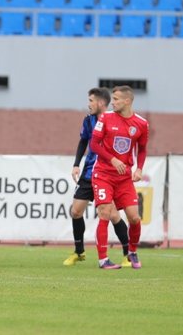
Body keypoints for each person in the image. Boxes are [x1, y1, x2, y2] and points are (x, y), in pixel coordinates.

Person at [89, 85, 149, 270]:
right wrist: (113, 159)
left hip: (124, 178)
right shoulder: (105, 118)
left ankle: (131, 251)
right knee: (105, 214)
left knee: (134, 217)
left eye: (115, 99)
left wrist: (139, 169)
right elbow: (94, 144)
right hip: (103, 174)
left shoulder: (141, 123)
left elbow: (142, 149)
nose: (111, 102)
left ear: (127, 101)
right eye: (112, 99)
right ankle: (103, 259)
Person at [64, 87, 112, 266]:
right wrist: (76, 164)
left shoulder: (115, 121)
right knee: (76, 211)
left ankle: (128, 254)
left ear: (100, 102)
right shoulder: (88, 120)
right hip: (88, 173)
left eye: (91, 100)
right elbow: (83, 140)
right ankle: (79, 252)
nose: (87, 104)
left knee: (113, 215)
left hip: (107, 175)